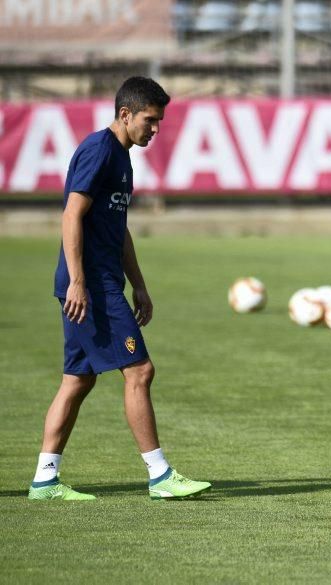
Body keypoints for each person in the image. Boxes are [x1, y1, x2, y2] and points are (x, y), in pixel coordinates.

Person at [28, 77, 211, 501]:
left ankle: (44, 479)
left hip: (101, 281)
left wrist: (140, 285)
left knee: (77, 380)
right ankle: (160, 475)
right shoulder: (99, 150)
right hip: (91, 285)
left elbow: (118, 229)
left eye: (160, 121)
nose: (156, 129)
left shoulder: (122, 156)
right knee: (140, 371)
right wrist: (78, 281)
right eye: (150, 120)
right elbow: (72, 215)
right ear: (125, 114)